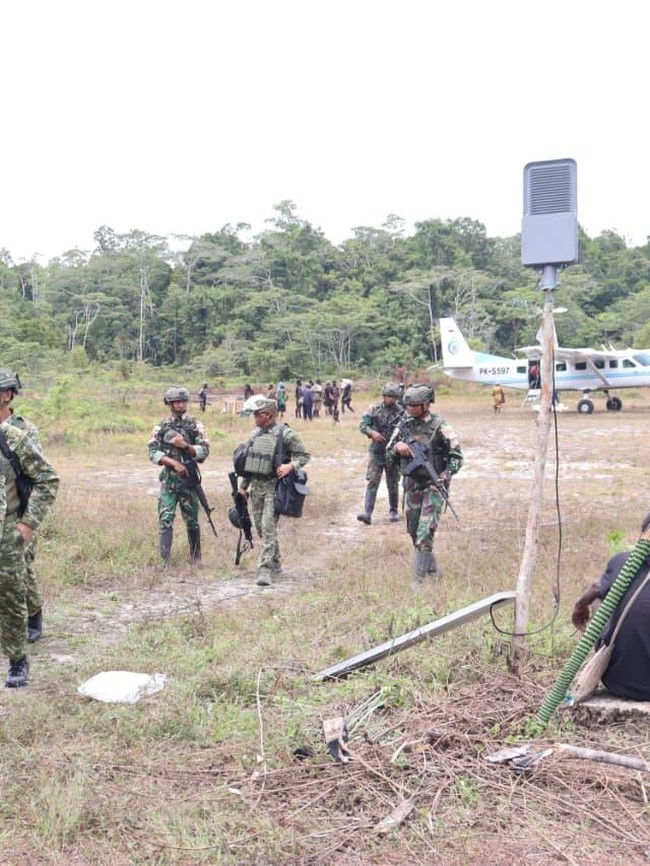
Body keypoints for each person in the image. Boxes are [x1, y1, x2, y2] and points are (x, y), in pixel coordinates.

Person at [0, 417, 59, 687]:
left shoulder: (13, 438)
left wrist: (27, 524)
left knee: (10, 598)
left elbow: (47, 479)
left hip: (6, 534)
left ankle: (17, 660)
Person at [387, 384, 463, 589]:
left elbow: (457, 457)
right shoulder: (403, 426)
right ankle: (433, 570)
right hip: (412, 485)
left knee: (425, 531)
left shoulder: (441, 426)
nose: (410, 409)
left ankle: (417, 580)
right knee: (413, 531)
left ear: (427, 404)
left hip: (434, 486)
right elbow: (387, 455)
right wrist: (397, 448)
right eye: (408, 405)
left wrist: (445, 475)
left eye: (415, 405)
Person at [571, 513, 650, 701]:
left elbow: (595, 589)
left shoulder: (622, 562)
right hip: (624, 683)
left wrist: (581, 605)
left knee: (602, 596)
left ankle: (611, 646)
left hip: (619, 681)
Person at [237, 399, 310, 587]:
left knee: (268, 526)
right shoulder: (254, 435)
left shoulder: (286, 434)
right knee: (261, 529)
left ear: (268, 415)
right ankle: (277, 563)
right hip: (256, 488)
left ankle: (264, 570)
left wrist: (290, 466)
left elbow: (303, 455)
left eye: (257, 414)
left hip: (274, 488)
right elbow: (252, 463)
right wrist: (243, 486)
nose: (254, 417)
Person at [0, 369, 47, 643]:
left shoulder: (24, 429)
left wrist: (28, 521)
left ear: (6, 395)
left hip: (19, 511)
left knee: (22, 567)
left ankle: (34, 614)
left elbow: (40, 474)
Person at [148, 386, 210, 566]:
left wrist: (185, 446)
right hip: (169, 480)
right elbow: (152, 451)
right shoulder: (162, 426)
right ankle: (165, 560)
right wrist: (173, 463)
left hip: (189, 481)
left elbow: (204, 451)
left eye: (183, 401)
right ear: (170, 403)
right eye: (177, 402)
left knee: (192, 520)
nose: (181, 405)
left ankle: (196, 558)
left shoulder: (195, 425)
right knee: (165, 518)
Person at [357, 384, 405, 526]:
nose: (390, 399)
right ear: (383, 396)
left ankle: (393, 511)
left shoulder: (401, 412)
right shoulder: (374, 409)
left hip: (393, 452)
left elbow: (407, 429)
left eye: (393, 397)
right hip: (376, 451)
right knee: (373, 481)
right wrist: (372, 433)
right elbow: (363, 425)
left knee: (393, 482)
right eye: (388, 396)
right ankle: (367, 513)